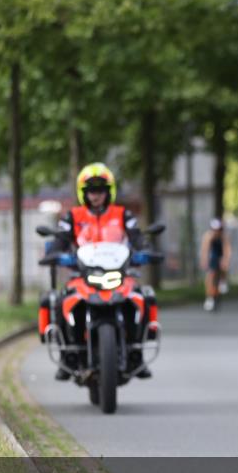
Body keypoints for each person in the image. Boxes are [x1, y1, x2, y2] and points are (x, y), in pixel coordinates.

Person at [49, 162, 150, 379]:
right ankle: (69, 355)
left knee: (142, 298)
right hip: (83, 276)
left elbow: (137, 238)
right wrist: (55, 253)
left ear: (108, 192)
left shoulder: (122, 214)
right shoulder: (73, 216)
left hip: (119, 275)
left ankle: (136, 353)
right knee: (61, 303)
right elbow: (60, 240)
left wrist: (145, 251)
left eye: (100, 190)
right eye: (91, 191)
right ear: (83, 193)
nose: (96, 195)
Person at [200, 218, 232, 311]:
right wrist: (204, 261)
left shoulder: (224, 236)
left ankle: (223, 280)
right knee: (210, 276)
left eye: (218, 230)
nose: (216, 232)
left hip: (221, 253)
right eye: (215, 230)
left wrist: (226, 261)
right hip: (213, 254)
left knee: (223, 264)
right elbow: (205, 250)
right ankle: (209, 298)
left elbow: (227, 250)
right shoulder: (208, 236)